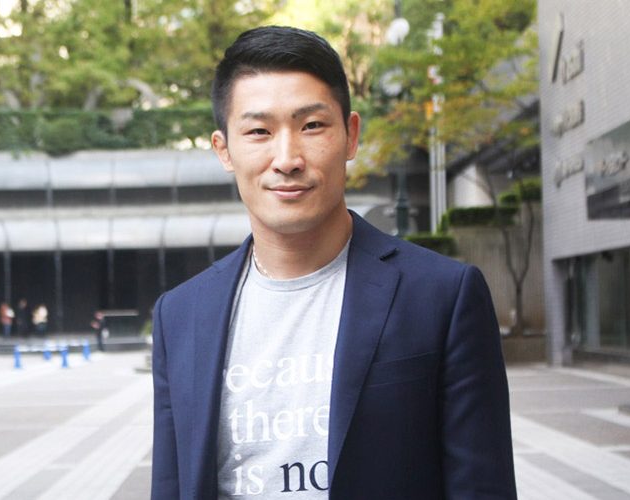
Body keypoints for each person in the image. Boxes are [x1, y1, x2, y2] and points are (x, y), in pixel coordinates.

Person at [150, 26, 516, 499]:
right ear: (224, 149)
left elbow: (482, 488)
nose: (287, 158)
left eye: (312, 126)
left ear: (351, 135)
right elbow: (172, 485)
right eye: (259, 131)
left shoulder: (442, 296)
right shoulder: (180, 315)